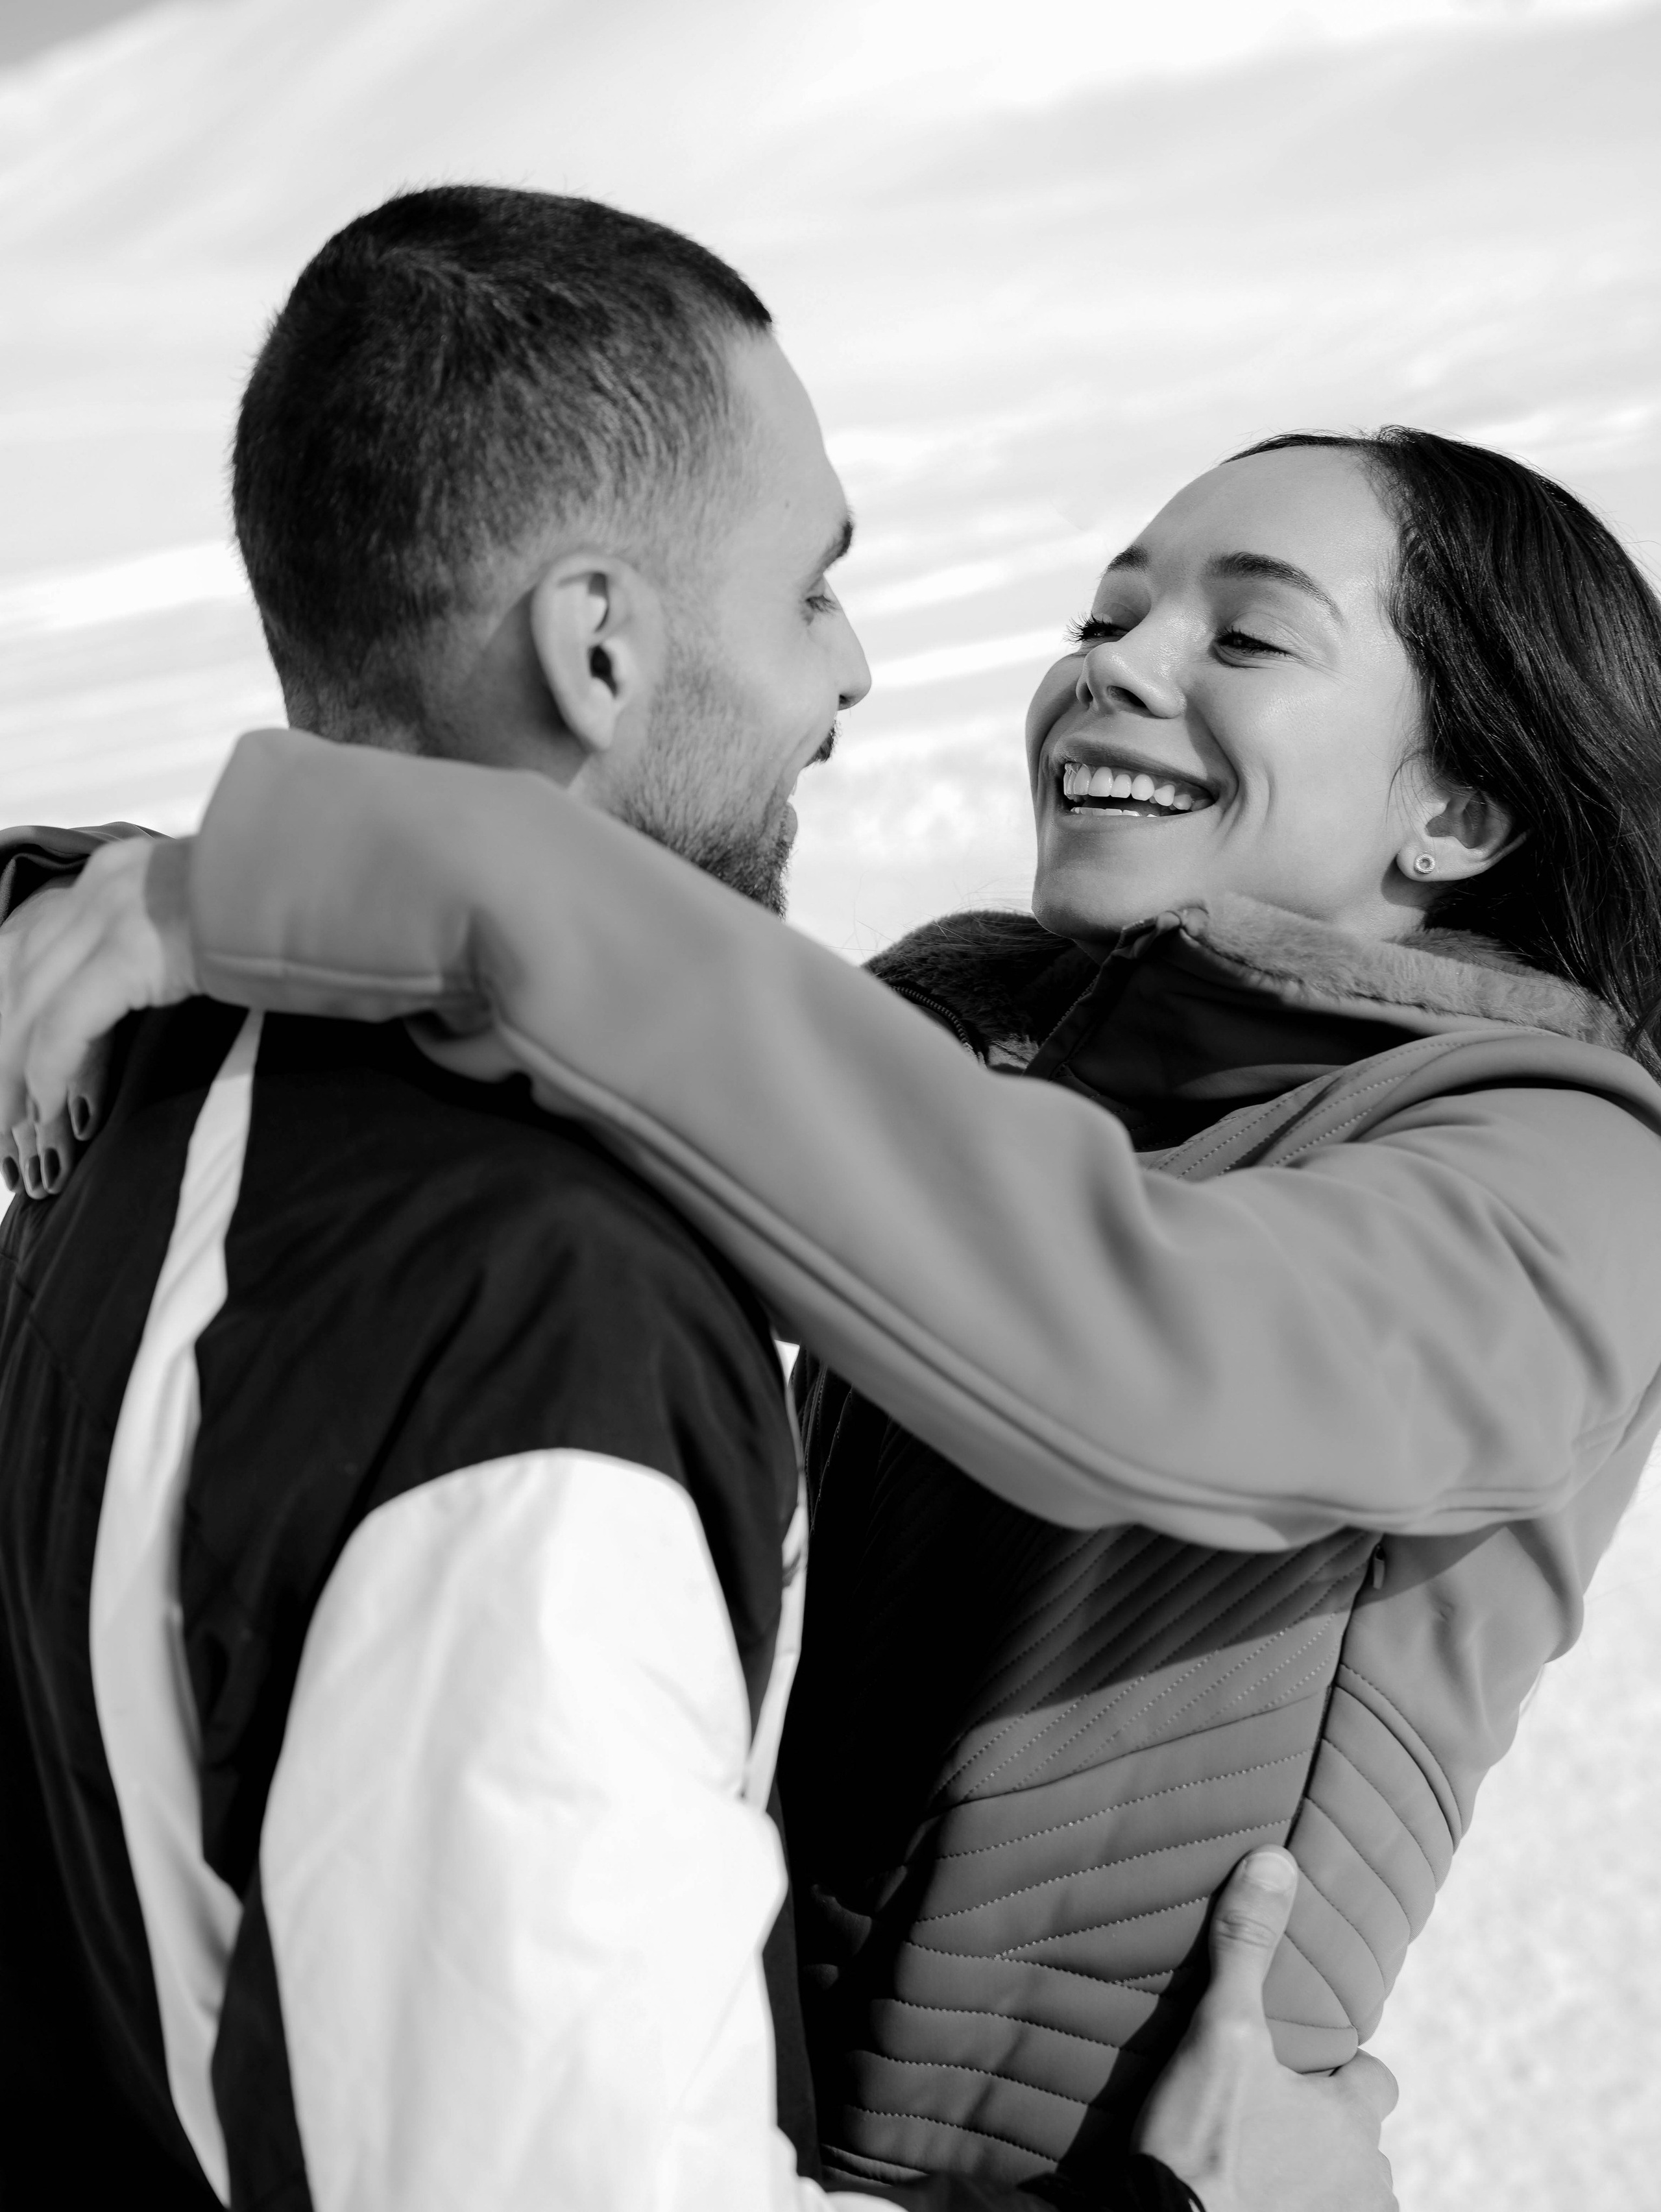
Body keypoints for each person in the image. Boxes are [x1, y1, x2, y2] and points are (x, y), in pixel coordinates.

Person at [6, 421, 1658, 2196]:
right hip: (747, 2114)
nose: (1117, 665)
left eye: (1244, 636)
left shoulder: (1573, 1180)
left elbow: (1142, 1341)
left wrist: (357, 870)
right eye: (1108, 615)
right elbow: (627, 1033)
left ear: (1458, 815)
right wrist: (114, 899)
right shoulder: (999, 1029)